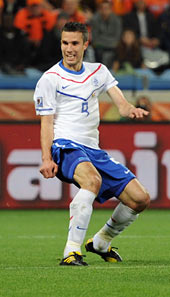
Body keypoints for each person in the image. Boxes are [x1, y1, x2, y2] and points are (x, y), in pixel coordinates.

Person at [34, 22, 150, 266]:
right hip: (65, 145)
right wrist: (46, 158)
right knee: (92, 181)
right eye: (65, 43)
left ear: (85, 44)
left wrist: (130, 110)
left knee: (140, 199)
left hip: (93, 149)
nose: (69, 49)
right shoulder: (50, 78)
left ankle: (101, 241)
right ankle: (71, 251)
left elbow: (121, 103)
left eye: (75, 43)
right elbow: (46, 123)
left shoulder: (99, 71)